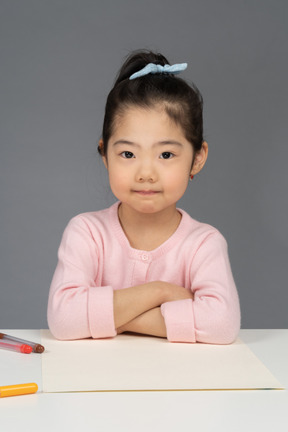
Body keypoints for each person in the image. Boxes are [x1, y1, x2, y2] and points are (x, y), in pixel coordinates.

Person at [47, 50, 241, 344]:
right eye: (128, 153)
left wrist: (108, 317)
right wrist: (160, 292)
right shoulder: (87, 233)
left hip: (178, 386)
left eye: (166, 154)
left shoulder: (204, 243)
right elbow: (63, 320)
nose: (146, 173)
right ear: (105, 154)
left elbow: (222, 326)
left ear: (198, 158)